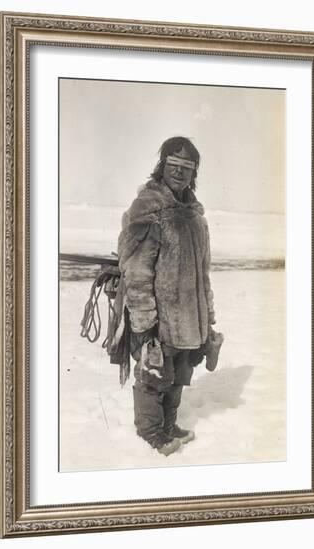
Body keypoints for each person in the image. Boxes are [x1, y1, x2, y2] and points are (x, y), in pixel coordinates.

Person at [116, 136, 216, 456]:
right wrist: (144, 318)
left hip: (190, 315)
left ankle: (169, 424)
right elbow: (137, 269)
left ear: (194, 173)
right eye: (173, 165)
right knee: (153, 374)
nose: (180, 172)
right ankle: (150, 432)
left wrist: (208, 315)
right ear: (162, 167)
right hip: (159, 316)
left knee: (180, 371)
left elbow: (203, 273)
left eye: (187, 168)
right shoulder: (148, 208)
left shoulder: (195, 215)